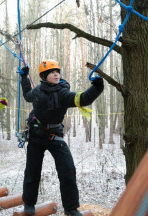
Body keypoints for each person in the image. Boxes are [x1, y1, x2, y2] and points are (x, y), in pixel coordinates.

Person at [20, 59, 104, 216]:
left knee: (68, 170)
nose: (56, 74)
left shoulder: (63, 93)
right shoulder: (38, 90)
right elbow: (27, 96)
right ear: (44, 76)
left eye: (57, 72)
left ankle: (71, 208)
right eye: (52, 72)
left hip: (54, 136)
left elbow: (82, 98)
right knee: (32, 170)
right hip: (36, 134)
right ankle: (29, 203)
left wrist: (97, 88)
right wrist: (24, 78)